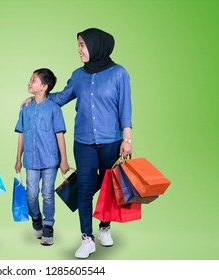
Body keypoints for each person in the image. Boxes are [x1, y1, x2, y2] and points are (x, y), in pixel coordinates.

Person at [26, 28, 133, 258]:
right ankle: (87, 238)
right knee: (84, 189)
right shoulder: (78, 75)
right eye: (79, 45)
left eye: (82, 45)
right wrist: (38, 97)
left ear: (96, 46)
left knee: (108, 187)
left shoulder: (119, 74)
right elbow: (61, 97)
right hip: (83, 142)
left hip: (111, 141)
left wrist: (127, 139)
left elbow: (125, 109)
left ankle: (105, 227)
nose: (79, 50)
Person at [15, 68, 70, 246]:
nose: (29, 82)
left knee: (47, 193)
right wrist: (18, 158)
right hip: (30, 160)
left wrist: (64, 160)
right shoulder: (25, 108)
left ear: (44, 86)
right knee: (31, 194)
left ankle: (48, 225)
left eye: (34, 80)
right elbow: (21, 133)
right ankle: (36, 219)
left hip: (50, 160)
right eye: (30, 79)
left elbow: (59, 135)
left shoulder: (54, 109)